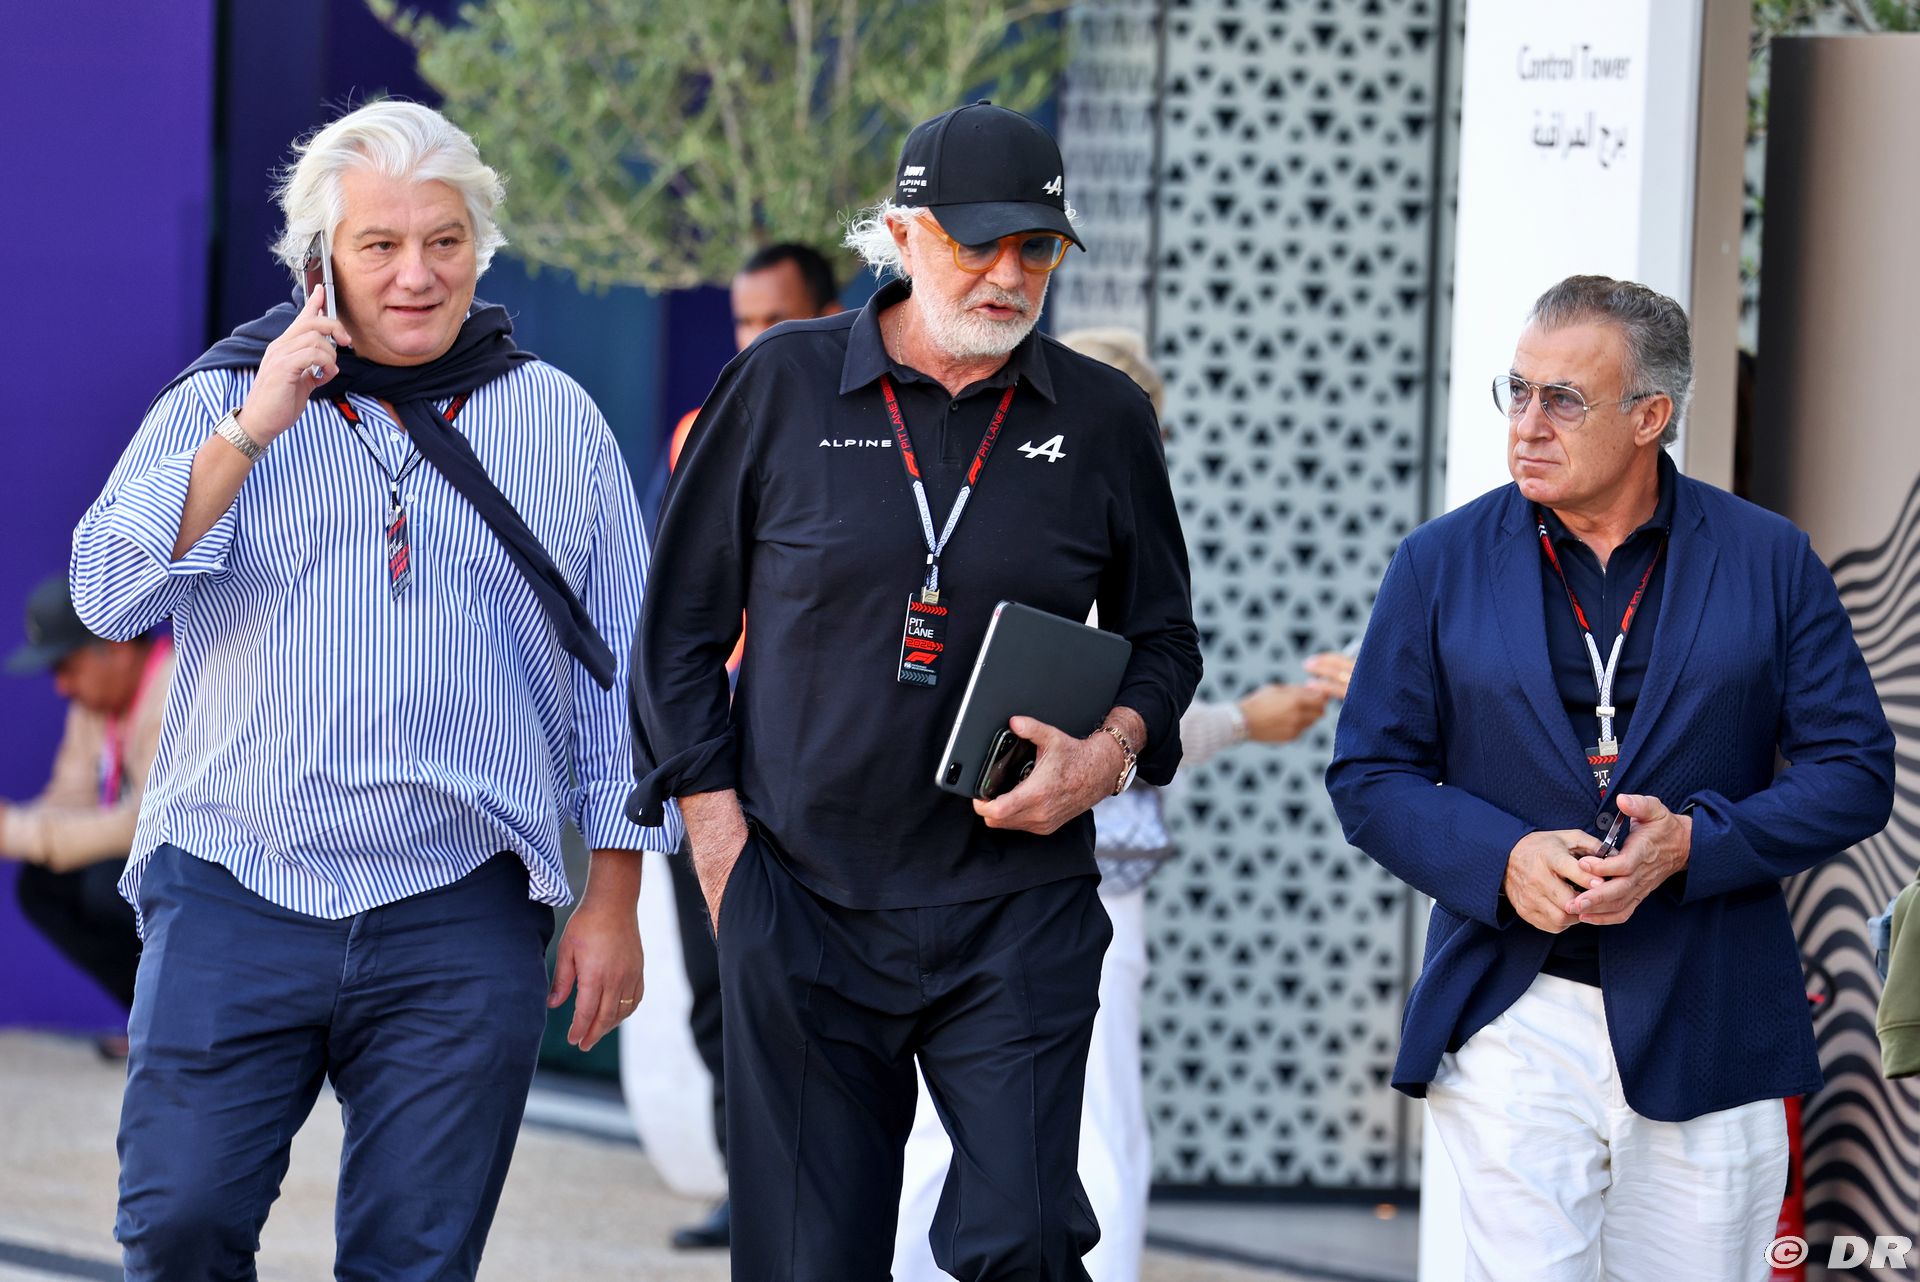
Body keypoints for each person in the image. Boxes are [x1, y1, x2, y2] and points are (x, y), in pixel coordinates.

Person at [70, 100, 678, 1280]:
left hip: (460, 907)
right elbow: (107, 594)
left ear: (479, 249)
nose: (416, 274)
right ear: (320, 260)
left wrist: (613, 899)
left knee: (417, 1262)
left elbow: (623, 675)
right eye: (380, 244)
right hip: (235, 884)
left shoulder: (558, 422)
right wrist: (255, 425)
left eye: (444, 241)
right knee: (178, 1224)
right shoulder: (219, 401)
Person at [629, 101, 1203, 1281]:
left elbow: (1164, 641)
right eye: (977, 242)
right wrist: (727, 859)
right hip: (804, 898)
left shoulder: (1103, 419)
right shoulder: (779, 384)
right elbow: (675, 637)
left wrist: (1105, 756)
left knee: (1025, 1244)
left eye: (1036, 248)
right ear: (901, 234)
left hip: (1017, 905)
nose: (1009, 274)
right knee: (807, 1258)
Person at [1325, 275, 1894, 1280]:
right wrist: (1503, 858)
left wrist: (1694, 846)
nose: (1527, 425)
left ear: (1650, 417)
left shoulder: (1771, 560)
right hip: (1512, 1009)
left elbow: (1855, 771)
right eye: (1518, 391)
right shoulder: (1435, 563)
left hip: (1711, 1014)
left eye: (1563, 400)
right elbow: (1370, 774)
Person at [888, 326, 1352, 1282]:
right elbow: (1109, 731)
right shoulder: (1073, 537)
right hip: (1073, 875)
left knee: (953, 1124)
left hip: (977, 867)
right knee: (1085, 1122)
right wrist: (1248, 721)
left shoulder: (996, 523)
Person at [654, 241, 844, 1252]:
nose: (758, 339)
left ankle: (817, 1196)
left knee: (806, 995)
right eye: (745, 320)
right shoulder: (701, 431)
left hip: (815, 759)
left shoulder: (868, 432)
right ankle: (748, 1186)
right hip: (709, 759)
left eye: (779, 319)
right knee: (716, 987)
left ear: (830, 312)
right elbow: (666, 605)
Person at [4, 576, 173, 1038]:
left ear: (116, 646)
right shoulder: (95, 706)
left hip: (231, 885)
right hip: (167, 873)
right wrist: (12, 825)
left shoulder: (175, 686)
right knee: (45, 885)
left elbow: (146, 824)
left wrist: (13, 830)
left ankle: (185, 1024)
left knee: (110, 881)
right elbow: (70, 799)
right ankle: (155, 1026)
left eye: (66, 666)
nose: (60, 686)